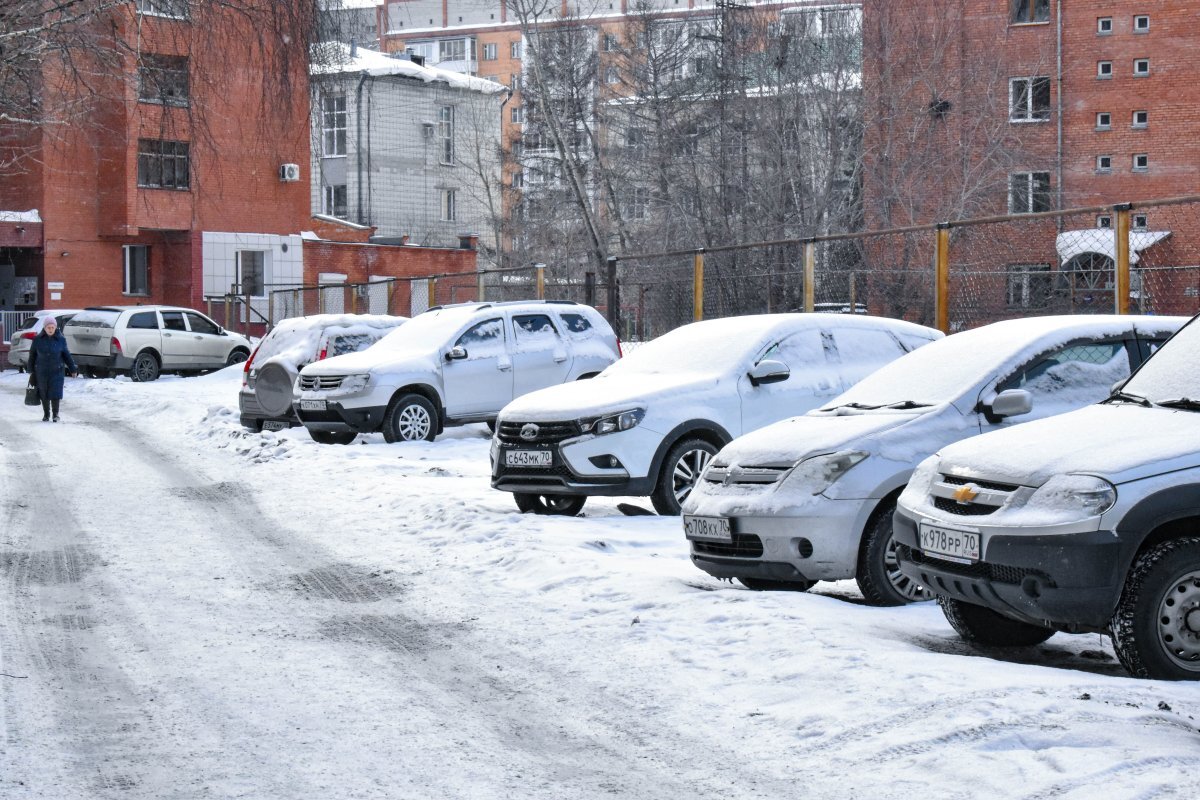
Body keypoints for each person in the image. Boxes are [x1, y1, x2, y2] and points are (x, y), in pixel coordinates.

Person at [27, 317, 77, 422]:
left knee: (55, 393)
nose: (50, 329)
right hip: (41, 371)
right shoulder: (37, 340)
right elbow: (32, 355)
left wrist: (73, 369)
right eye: (48, 327)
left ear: (55, 327)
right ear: (44, 328)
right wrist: (30, 369)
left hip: (57, 371)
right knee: (43, 393)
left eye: (52, 327)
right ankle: (46, 414)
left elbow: (66, 355)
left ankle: (55, 414)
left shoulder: (61, 339)